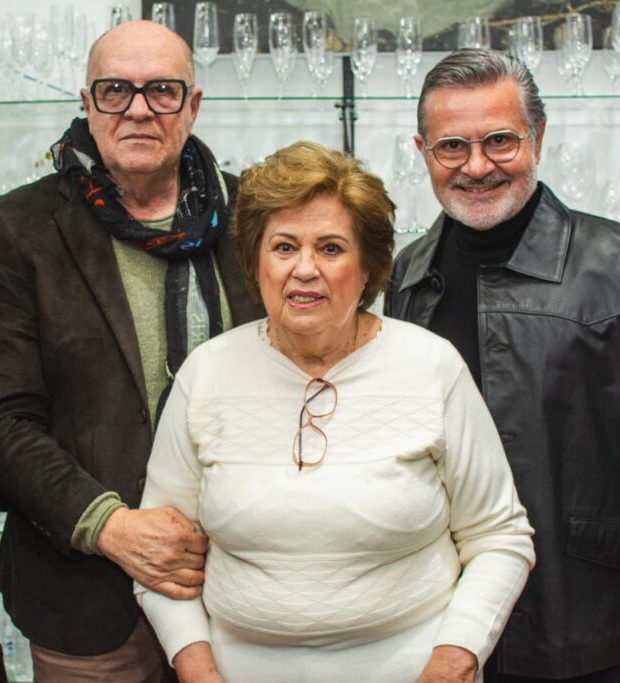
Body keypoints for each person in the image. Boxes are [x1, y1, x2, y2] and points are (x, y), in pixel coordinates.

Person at [135, 141, 536, 683]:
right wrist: (197, 671)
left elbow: (499, 537)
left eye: (330, 248)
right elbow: (161, 556)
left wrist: (453, 662)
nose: (304, 270)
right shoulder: (205, 375)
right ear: (255, 262)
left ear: (368, 266)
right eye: (283, 247)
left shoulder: (432, 367)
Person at [384, 49, 620, 683]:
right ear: (422, 151)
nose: (477, 166)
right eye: (452, 146)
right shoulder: (408, 275)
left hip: (595, 631)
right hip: (442, 628)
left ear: (537, 137)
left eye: (500, 141)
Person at [0, 20, 262, 681]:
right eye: (115, 90)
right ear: (87, 101)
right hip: (89, 598)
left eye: (162, 90)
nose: (138, 109)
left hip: (243, 586)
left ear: (192, 104)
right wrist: (110, 527)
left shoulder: (254, 214)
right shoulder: (16, 228)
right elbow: (0, 420)